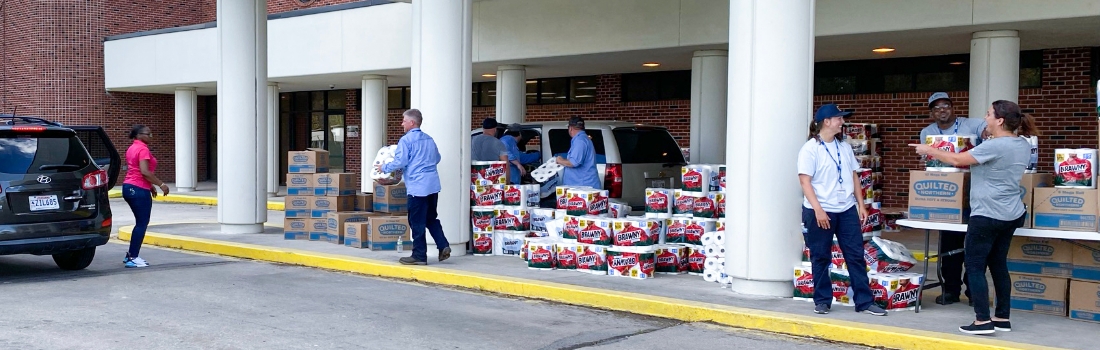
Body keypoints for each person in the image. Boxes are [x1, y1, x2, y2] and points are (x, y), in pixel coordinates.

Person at [910, 100, 1036, 335]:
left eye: (988, 114)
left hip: (987, 214)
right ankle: (1002, 317)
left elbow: (958, 160)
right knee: (998, 265)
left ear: (999, 120)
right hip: (1011, 213)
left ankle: (982, 321)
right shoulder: (1021, 144)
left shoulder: (996, 146)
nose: (985, 118)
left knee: (975, 266)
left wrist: (928, 149)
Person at [798, 104, 888, 317]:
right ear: (826, 122)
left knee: (855, 255)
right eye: (839, 118)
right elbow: (805, 181)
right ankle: (822, 300)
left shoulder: (844, 147)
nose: (842, 121)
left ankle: (864, 301)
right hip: (820, 210)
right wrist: (818, 210)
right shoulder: (810, 149)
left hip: (846, 208)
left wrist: (861, 204)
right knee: (821, 256)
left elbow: (854, 175)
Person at [919, 92, 988, 306]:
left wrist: (986, 135)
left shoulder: (972, 124)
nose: (942, 110)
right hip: (945, 193)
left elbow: (988, 132)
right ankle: (950, 290)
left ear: (953, 108)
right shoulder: (927, 132)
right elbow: (927, 161)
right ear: (932, 112)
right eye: (937, 107)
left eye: (946, 106)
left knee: (975, 245)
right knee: (949, 246)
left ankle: (973, 291)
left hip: (973, 189)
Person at [378, 109, 451, 265]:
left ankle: (419, 256)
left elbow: (400, 162)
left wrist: (383, 168)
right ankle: (443, 245)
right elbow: (437, 158)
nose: (401, 123)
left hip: (417, 187)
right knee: (431, 218)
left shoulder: (406, 140)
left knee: (416, 221)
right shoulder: (429, 139)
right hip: (432, 185)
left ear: (412, 122)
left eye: (404, 120)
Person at [122, 124, 170, 268]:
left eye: (151, 133)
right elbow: (144, 172)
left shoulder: (132, 147)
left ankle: (130, 255)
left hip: (129, 187)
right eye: (148, 134)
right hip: (137, 189)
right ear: (139, 135)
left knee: (140, 222)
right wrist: (162, 185)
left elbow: (136, 170)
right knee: (142, 223)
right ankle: (132, 257)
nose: (151, 136)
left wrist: (150, 186)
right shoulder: (143, 149)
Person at [555, 116, 601, 189]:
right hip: (582, 186)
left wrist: (560, 160)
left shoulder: (580, 141)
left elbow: (574, 162)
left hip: (582, 188)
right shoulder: (584, 139)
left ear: (570, 128)